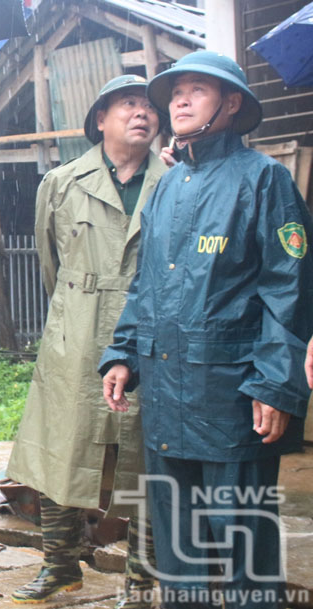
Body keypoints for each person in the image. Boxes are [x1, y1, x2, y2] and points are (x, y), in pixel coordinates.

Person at [100, 51, 313, 609]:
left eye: (197, 90)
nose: (181, 101)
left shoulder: (264, 180)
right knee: (179, 556)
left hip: (232, 397)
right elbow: (144, 283)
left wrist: (275, 383)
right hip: (168, 397)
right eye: (175, 94)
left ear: (232, 103)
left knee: (243, 552)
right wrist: (123, 353)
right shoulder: (167, 188)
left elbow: (289, 290)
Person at [6, 75, 163, 607]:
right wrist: (76, 313)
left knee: (143, 452)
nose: (141, 113)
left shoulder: (176, 179)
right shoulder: (63, 180)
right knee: (61, 449)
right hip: (75, 327)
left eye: (148, 106)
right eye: (127, 104)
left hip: (149, 329)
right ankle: (60, 566)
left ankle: (140, 582)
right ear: (101, 118)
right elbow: (51, 265)